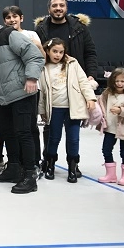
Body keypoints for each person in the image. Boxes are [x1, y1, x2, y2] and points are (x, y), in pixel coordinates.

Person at [0, 8, 43, 194]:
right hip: (4, 98)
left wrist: (31, 78)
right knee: (8, 133)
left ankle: (30, 175)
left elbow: (34, 55)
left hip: (22, 93)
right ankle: (13, 168)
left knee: (24, 133)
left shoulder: (8, 34)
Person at [38, 38, 96, 183]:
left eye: (61, 52)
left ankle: (73, 166)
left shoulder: (72, 64)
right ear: (47, 51)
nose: (58, 55)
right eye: (54, 51)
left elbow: (83, 82)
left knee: (73, 139)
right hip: (55, 109)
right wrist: (42, 110)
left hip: (73, 108)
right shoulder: (43, 67)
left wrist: (90, 98)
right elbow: (42, 92)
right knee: (53, 138)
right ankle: (50, 164)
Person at [97, 67, 124, 186]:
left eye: (122, 81)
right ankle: (111, 175)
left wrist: (121, 110)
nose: (119, 84)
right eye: (117, 81)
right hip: (110, 128)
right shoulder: (107, 94)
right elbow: (100, 104)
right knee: (106, 149)